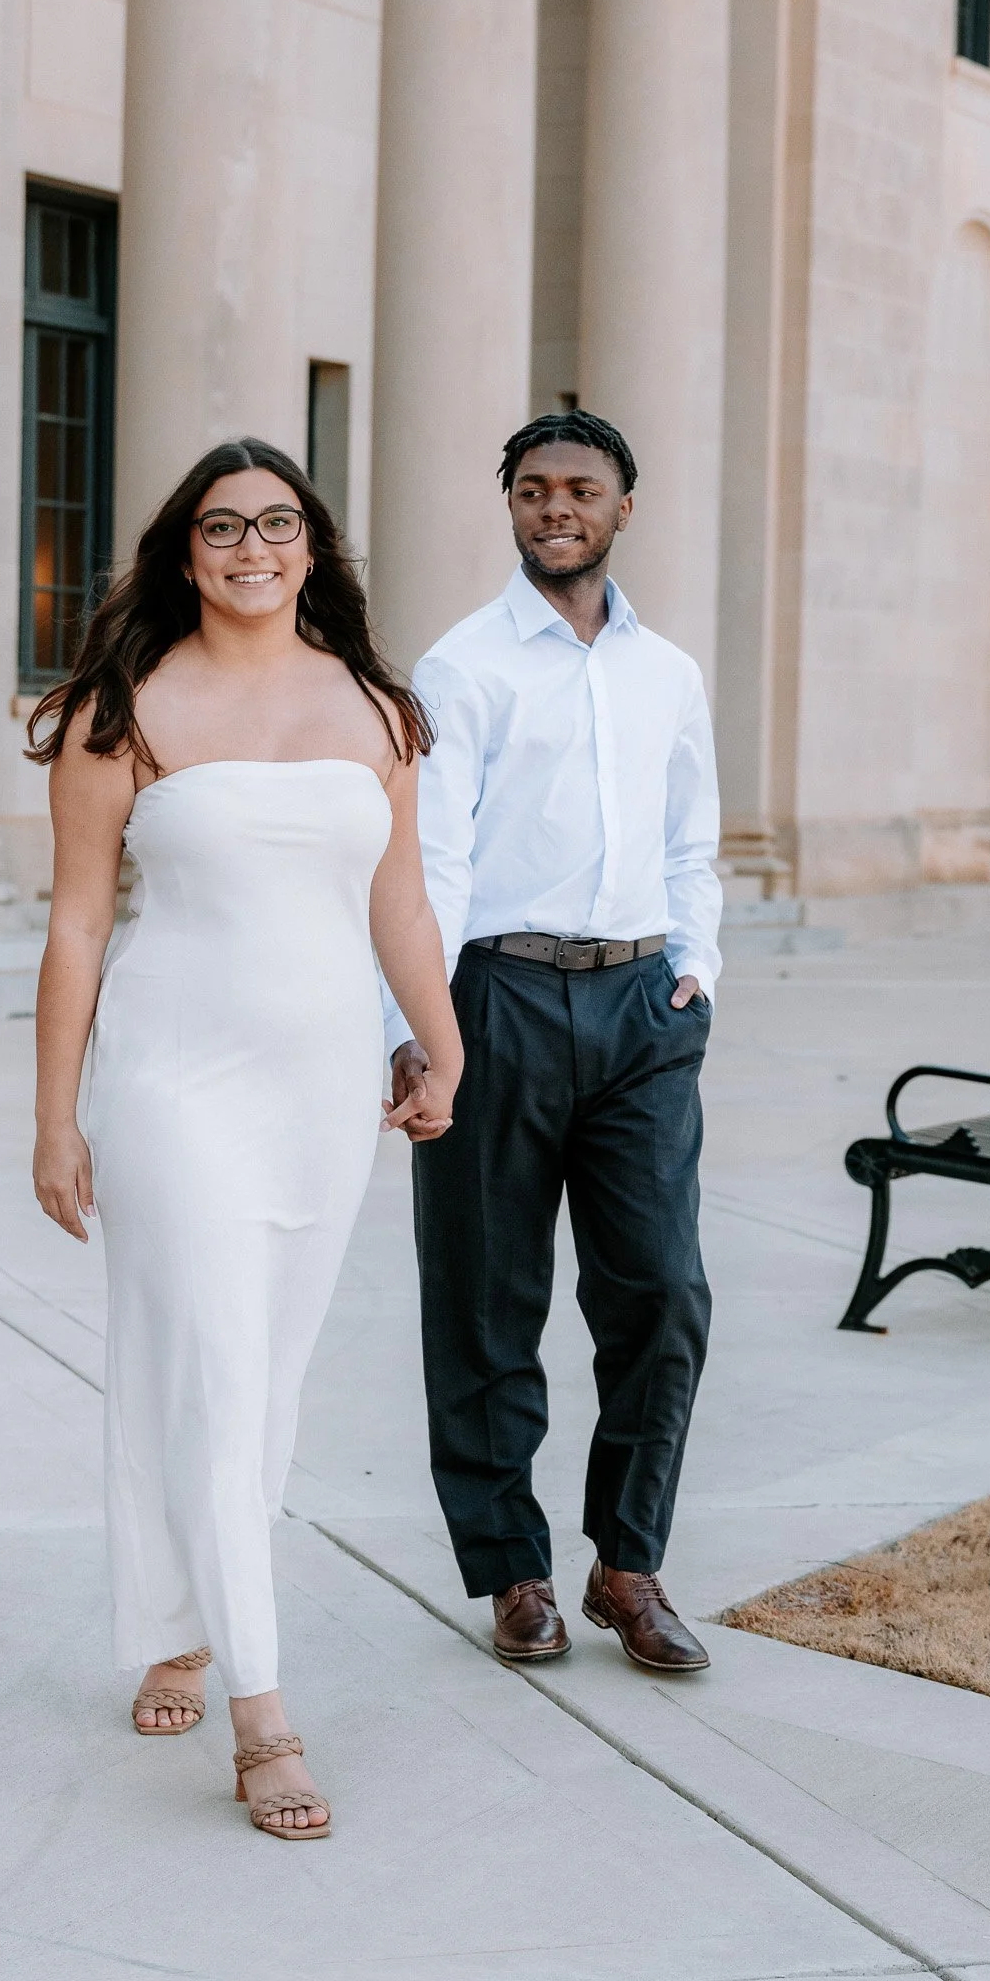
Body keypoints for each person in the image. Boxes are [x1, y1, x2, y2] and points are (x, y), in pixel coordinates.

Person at [28, 439, 462, 1840]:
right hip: (170, 1085)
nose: (252, 548)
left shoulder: (378, 713)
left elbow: (395, 903)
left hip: (322, 1092)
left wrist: (442, 1038)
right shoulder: (121, 712)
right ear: (182, 552)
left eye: (279, 523)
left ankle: (183, 1618)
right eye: (223, 528)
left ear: (314, 546)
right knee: (215, 1360)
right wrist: (54, 1117)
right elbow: (79, 925)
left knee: (254, 1381)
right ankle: (261, 1712)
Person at [386, 409, 722, 1675]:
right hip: (498, 999)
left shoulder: (667, 673)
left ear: (623, 506)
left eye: (579, 488)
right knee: (485, 1299)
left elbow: (695, 837)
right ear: (511, 506)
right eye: (531, 490)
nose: (554, 508)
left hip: (643, 1008)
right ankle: (512, 1569)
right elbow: (430, 859)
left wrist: (697, 968)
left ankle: (629, 1563)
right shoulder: (462, 666)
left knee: (663, 1293)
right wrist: (419, 1031)